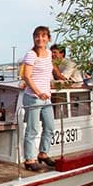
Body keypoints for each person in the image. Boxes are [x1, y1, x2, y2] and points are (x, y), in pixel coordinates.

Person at [22, 26, 64, 172]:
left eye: (43, 36)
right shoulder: (31, 55)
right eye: (37, 36)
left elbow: (51, 71)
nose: (40, 39)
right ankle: (29, 159)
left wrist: (62, 79)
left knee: (50, 127)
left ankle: (43, 153)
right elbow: (26, 76)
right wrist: (38, 92)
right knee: (32, 129)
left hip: (46, 97)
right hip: (34, 97)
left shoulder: (48, 54)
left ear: (48, 38)